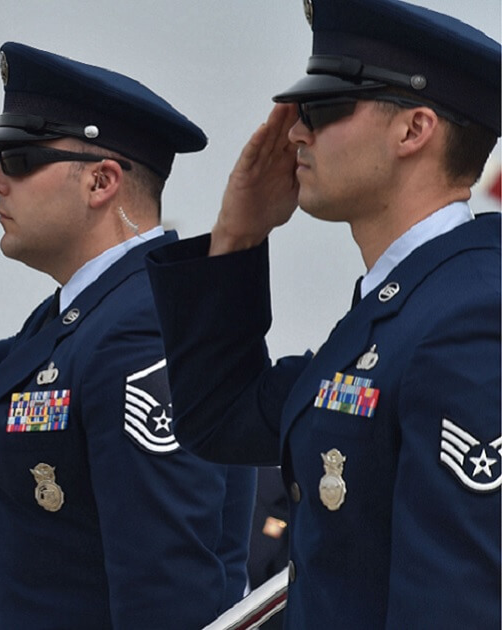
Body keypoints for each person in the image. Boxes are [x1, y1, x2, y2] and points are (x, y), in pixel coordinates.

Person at [0, 42, 255, 628]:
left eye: (17, 159)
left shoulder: (145, 328)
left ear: (101, 182)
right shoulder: (85, 315)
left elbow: (167, 593)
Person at [144, 0, 500, 627]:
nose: (293, 133)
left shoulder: (472, 313)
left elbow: (457, 605)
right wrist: (238, 233)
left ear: (414, 130)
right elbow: (219, 419)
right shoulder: (403, 303)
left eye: (322, 109)